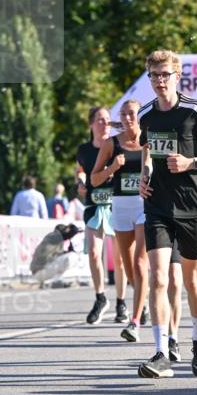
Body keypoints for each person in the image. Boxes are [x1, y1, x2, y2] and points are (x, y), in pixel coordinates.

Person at [137, 49, 197, 378]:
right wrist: (144, 177)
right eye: (154, 75)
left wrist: (192, 163)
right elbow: (147, 151)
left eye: (165, 75)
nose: (160, 81)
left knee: (193, 281)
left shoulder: (194, 111)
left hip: (192, 208)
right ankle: (162, 351)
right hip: (158, 207)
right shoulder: (146, 115)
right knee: (159, 278)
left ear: (178, 77)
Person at [91, 99, 147, 342]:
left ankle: (134, 321)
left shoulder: (149, 141)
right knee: (129, 267)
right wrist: (113, 166)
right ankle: (142, 301)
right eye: (123, 114)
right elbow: (94, 180)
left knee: (141, 262)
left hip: (145, 206)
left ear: (140, 115)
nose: (127, 118)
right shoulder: (110, 144)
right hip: (121, 207)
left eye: (131, 114)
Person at [76, 106, 128, 325]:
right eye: (99, 119)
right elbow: (79, 170)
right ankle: (100, 297)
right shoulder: (84, 149)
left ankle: (121, 302)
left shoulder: (117, 145)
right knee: (95, 253)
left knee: (120, 259)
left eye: (107, 119)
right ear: (91, 124)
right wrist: (80, 182)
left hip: (117, 204)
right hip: (94, 205)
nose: (104, 123)